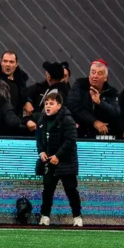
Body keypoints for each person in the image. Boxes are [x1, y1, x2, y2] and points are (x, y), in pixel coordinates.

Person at [36, 92, 83, 227]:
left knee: (71, 190)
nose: (48, 107)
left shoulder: (67, 120)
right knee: (48, 190)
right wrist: (41, 152)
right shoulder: (42, 119)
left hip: (66, 162)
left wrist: (58, 156)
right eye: (46, 104)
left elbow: (70, 140)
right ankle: (44, 216)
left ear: (59, 105)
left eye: (51, 104)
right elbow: (39, 138)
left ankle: (77, 217)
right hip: (49, 161)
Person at [67, 60, 120, 138]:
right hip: (79, 131)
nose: (95, 76)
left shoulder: (111, 92)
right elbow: (73, 106)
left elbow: (116, 112)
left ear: (105, 78)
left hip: (101, 134)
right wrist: (94, 122)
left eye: (99, 73)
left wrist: (100, 102)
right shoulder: (80, 84)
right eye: (93, 72)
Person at [0, 51, 29, 115]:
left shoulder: (21, 80)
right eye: (5, 61)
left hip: (15, 119)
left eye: (11, 62)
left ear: (16, 64)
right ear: (1, 62)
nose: (8, 65)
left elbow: (25, 94)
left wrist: (28, 101)